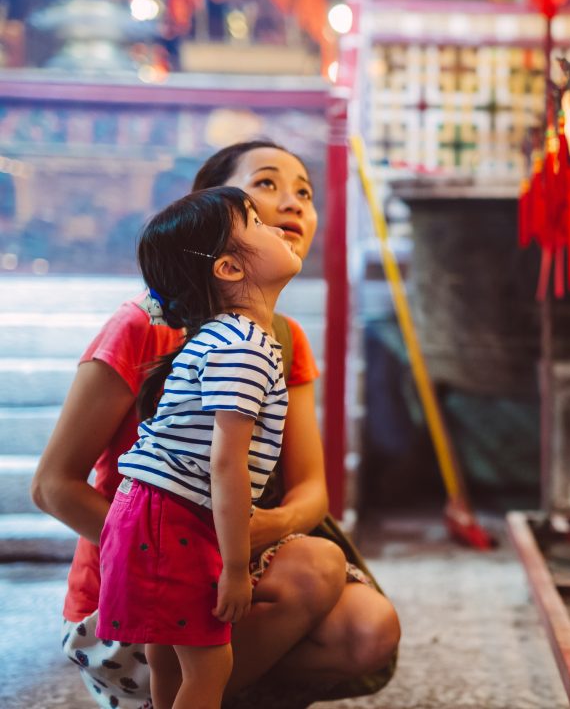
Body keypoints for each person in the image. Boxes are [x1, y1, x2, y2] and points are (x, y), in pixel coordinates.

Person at [31, 141, 400, 709]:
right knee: (313, 568)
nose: (293, 203)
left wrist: (234, 543)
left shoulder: (281, 338)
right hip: (130, 592)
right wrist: (170, 546)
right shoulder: (143, 327)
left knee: (366, 628)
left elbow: (311, 494)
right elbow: (52, 487)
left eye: (304, 191)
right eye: (264, 189)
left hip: (220, 552)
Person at [99, 185, 301, 708]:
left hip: (149, 509)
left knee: (168, 656)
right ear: (229, 269)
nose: (278, 225)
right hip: (176, 516)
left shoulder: (221, 335)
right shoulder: (243, 346)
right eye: (256, 222)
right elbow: (226, 463)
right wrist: (236, 569)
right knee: (210, 665)